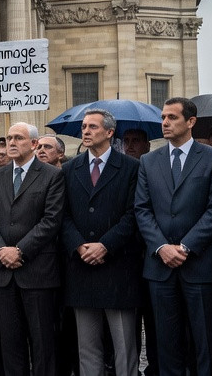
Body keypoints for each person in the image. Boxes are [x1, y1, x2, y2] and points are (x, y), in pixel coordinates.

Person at [134, 98, 212, 376]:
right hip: (160, 268)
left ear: (191, 122)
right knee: (166, 346)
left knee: (206, 346)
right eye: (163, 117)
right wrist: (161, 247)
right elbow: (142, 209)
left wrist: (186, 247)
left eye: (172, 117)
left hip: (201, 268)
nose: (165, 122)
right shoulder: (149, 161)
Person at [61, 109, 141, 376]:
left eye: (92, 127)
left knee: (124, 346)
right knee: (87, 347)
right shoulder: (69, 168)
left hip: (118, 267)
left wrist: (106, 245)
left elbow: (133, 214)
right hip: (81, 267)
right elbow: (63, 214)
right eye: (84, 126)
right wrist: (78, 245)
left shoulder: (130, 167)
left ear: (109, 132)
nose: (85, 131)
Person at [0, 122, 65, 376]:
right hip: (3, 273)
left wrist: (19, 251)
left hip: (37, 271)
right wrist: (1, 250)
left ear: (33, 144)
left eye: (18, 138)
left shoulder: (52, 175)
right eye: (9, 137)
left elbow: (51, 220)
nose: (11, 142)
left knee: (42, 342)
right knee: (10, 343)